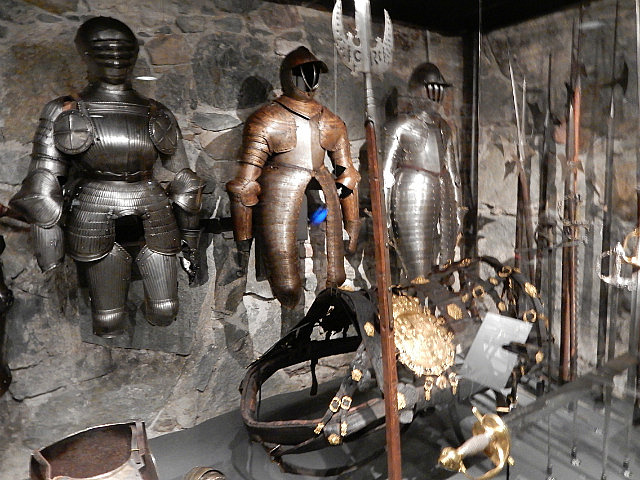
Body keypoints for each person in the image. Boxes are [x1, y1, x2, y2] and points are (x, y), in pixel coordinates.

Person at [10, 17, 204, 337]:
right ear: (86, 53)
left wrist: (190, 243)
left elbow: (184, 181)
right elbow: (42, 184)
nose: (115, 57)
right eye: (106, 49)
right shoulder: (66, 110)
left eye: (122, 50)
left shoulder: (156, 111)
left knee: (165, 311)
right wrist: (50, 252)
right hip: (94, 205)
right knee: (108, 320)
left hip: (151, 203)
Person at [226, 46, 360, 308]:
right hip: (279, 187)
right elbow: (244, 186)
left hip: (322, 193)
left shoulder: (331, 120)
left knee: (337, 276)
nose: (310, 80)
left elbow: (348, 176)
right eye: (302, 73)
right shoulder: (267, 118)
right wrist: (243, 245)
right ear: (289, 76)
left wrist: (352, 229)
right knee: (286, 286)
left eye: (313, 73)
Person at [382, 62, 463, 282]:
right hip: (412, 192)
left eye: (440, 89)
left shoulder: (444, 128)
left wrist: (458, 213)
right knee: (416, 273)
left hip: (443, 190)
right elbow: (385, 176)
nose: (436, 95)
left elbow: (454, 175)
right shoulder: (400, 126)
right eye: (431, 89)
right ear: (418, 90)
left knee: (445, 269)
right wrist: (385, 218)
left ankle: (436, 303)